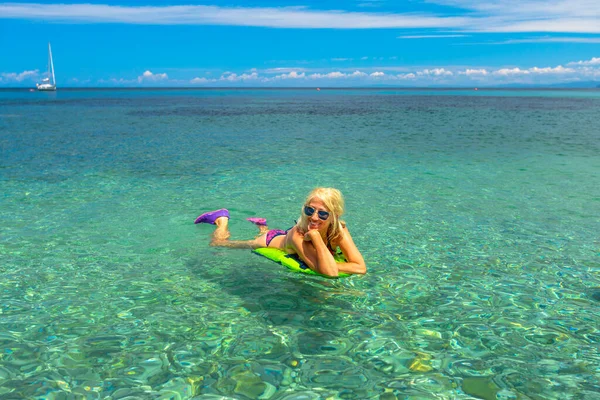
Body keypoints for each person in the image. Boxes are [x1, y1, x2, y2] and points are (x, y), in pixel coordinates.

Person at [194, 187, 366, 277]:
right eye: (309, 210)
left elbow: (360, 267)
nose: (314, 217)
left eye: (322, 213)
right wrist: (314, 235)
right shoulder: (298, 234)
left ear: (334, 215)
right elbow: (329, 273)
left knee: (269, 233)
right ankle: (221, 220)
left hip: (282, 236)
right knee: (220, 244)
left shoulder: (339, 230)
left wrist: (329, 262)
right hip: (272, 240)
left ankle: (262, 225)